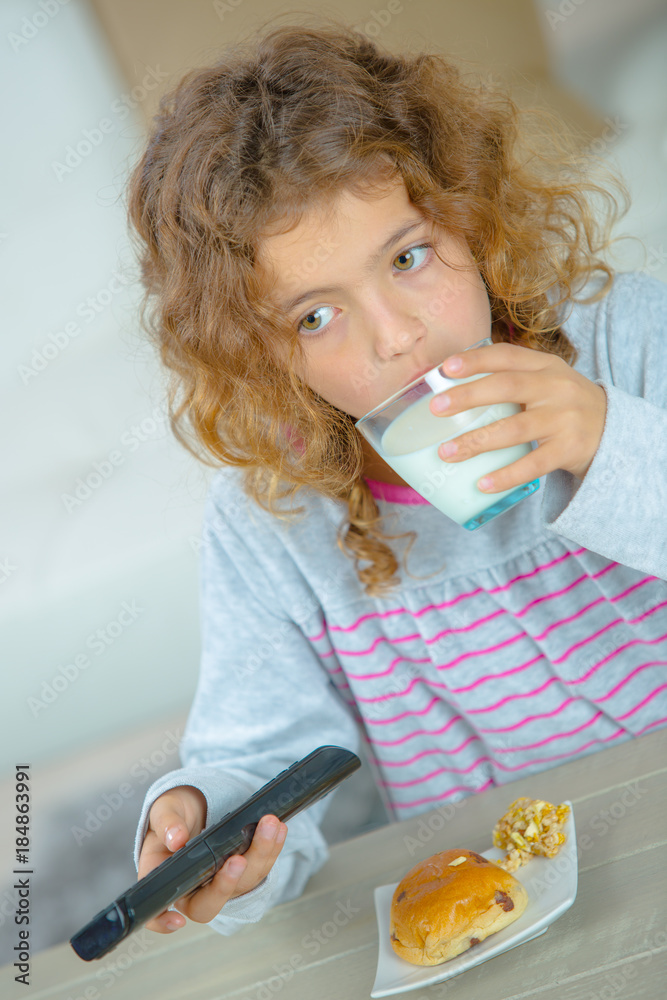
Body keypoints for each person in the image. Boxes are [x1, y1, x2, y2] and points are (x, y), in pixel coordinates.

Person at [126, 18, 667, 939]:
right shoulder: (272, 521)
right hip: (497, 908)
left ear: (470, 216)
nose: (395, 336)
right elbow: (260, 762)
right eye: (315, 316)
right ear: (259, 355)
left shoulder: (625, 342)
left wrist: (608, 439)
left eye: (407, 259)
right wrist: (208, 817)